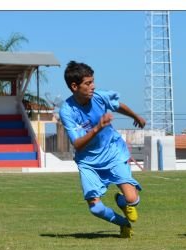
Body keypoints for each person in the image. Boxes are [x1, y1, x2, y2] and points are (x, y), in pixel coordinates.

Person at [58, 61, 145, 238]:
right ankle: (123, 223)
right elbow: (77, 143)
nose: (93, 86)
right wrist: (97, 127)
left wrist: (136, 116)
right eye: (88, 83)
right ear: (74, 86)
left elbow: (118, 105)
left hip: (113, 153)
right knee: (96, 208)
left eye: (93, 81)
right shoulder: (67, 111)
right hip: (88, 161)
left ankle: (122, 202)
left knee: (132, 199)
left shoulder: (99, 96)